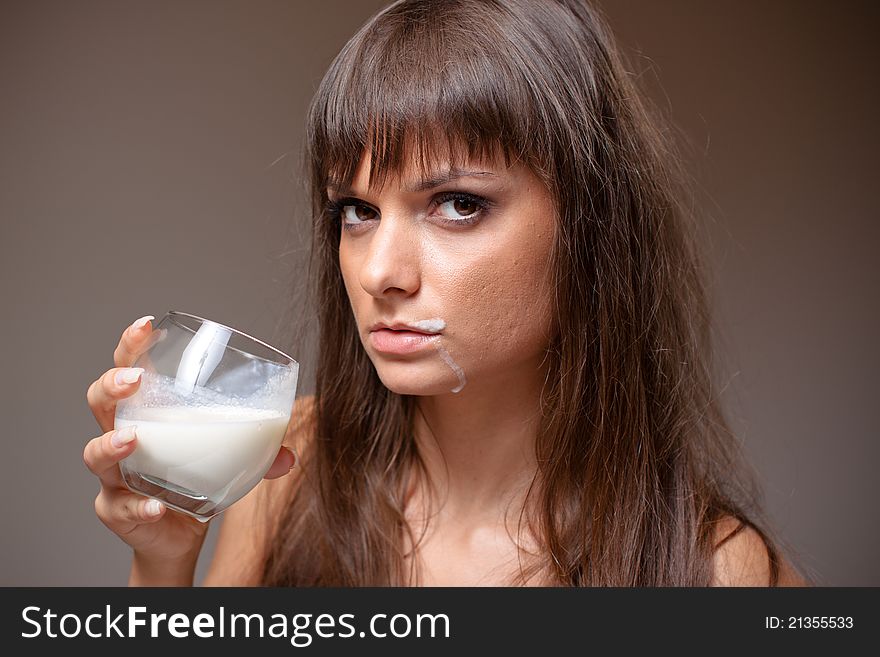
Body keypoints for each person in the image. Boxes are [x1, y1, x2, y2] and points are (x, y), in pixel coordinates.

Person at [84, 0, 806, 586]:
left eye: (458, 203)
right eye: (356, 211)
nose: (379, 273)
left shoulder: (720, 572)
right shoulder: (291, 469)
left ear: (591, 227)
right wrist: (163, 557)